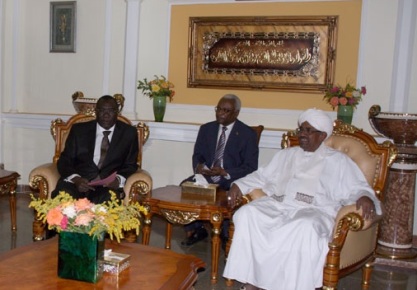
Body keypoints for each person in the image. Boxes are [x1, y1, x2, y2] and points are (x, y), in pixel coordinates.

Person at [223, 108, 380, 290]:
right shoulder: (286, 155)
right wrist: (238, 185)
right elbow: (262, 176)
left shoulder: (338, 161)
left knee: (304, 226)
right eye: (301, 130)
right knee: (247, 213)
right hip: (280, 205)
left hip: (315, 210)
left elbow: (357, 187)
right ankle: (254, 280)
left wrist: (365, 197)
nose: (303, 135)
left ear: (322, 136)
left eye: (308, 131)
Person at [181, 94, 259, 246]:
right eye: (218, 109)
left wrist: (225, 172)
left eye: (226, 110)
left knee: (228, 196)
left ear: (236, 113)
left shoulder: (247, 134)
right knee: (185, 187)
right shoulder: (206, 129)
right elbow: (197, 155)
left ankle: (225, 234)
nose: (220, 113)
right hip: (208, 177)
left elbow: (251, 167)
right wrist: (201, 167)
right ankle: (197, 229)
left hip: (231, 179)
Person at [51, 95, 139, 204]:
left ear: (117, 112)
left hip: (106, 186)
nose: (106, 115)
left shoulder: (129, 133)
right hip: (77, 183)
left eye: (111, 111)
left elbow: (131, 164)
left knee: (109, 199)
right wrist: (76, 179)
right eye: (102, 110)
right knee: (63, 195)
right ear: (96, 111)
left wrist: (118, 179)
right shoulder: (79, 130)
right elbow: (64, 160)